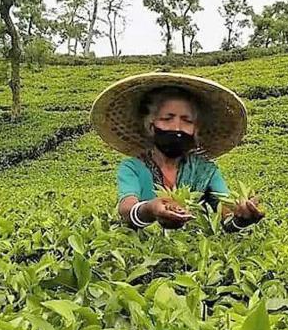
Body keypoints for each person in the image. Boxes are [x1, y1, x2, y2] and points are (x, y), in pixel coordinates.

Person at [91, 72, 264, 231]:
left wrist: (241, 218)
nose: (177, 127)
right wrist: (150, 209)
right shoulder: (133, 168)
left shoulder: (205, 171)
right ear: (151, 125)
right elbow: (126, 208)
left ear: (195, 130)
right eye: (167, 118)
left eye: (187, 121)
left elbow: (226, 213)